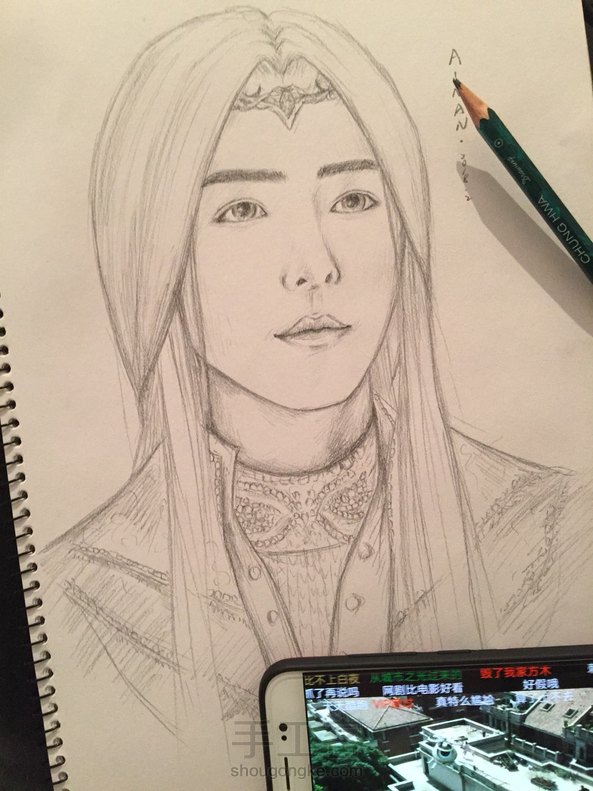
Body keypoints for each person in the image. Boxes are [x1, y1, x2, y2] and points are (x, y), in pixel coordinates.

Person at [41, 6, 592, 786]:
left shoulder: (552, 527)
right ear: (154, 254)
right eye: (241, 208)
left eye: (353, 198)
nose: (314, 264)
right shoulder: (83, 590)